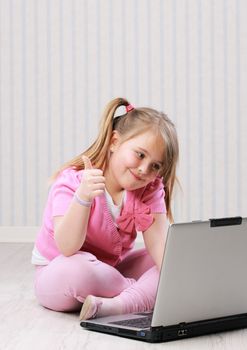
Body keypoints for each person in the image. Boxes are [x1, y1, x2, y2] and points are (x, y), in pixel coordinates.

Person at [31, 97, 179, 320]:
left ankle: (117, 305)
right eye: (140, 155)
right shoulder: (72, 181)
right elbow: (68, 247)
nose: (143, 170)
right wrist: (83, 197)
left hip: (110, 272)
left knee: (175, 261)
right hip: (59, 273)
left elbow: (159, 246)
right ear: (114, 142)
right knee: (78, 269)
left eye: (155, 166)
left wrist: (179, 273)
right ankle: (138, 294)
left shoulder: (149, 189)